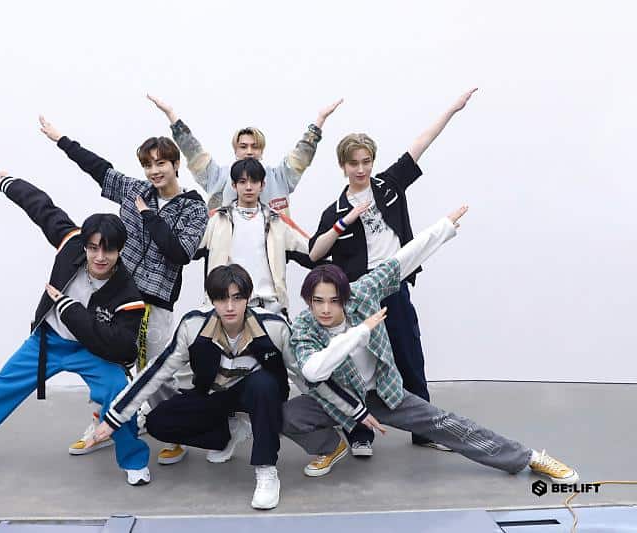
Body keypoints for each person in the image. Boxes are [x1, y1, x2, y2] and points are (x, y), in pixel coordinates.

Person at [284, 206, 579, 487]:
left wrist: (444, 227)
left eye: (334, 301)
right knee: (286, 416)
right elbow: (313, 371)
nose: (325, 309)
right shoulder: (304, 328)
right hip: (337, 400)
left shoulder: (363, 293)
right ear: (308, 301)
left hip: (383, 393)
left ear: (346, 297)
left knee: (447, 424)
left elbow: (402, 260)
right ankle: (331, 447)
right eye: (317, 301)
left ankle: (528, 458)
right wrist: (360, 332)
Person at [0, 173, 151, 485]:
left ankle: (134, 460)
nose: (99, 257)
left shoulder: (128, 294)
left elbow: (124, 348)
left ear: (120, 250)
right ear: (85, 245)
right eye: (93, 248)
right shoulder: (70, 245)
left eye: (108, 250)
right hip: (49, 341)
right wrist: (10, 184)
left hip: (94, 351)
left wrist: (70, 310)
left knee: (119, 392)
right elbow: (43, 209)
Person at [86, 265, 365, 509]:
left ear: (248, 298)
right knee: (158, 422)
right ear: (212, 300)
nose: (230, 307)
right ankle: (230, 432)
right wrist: (113, 419)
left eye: (237, 298)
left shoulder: (274, 327)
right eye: (222, 299)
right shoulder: (193, 326)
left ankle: (266, 471)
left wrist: (355, 411)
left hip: (260, 396)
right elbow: (156, 373)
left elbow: (308, 375)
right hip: (215, 396)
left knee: (263, 383)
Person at [308, 88, 477, 450]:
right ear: (343, 166)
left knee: (410, 357)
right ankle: (360, 434)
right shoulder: (336, 209)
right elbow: (315, 253)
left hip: (394, 287)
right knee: (357, 366)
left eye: (366, 161)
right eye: (354, 163)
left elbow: (421, 143)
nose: (361, 169)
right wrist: (343, 223)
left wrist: (452, 108)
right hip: (359, 297)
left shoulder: (389, 185)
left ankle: (426, 432)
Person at [38, 116, 208, 460]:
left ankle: (174, 433)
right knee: (105, 361)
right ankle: (103, 422)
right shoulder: (135, 191)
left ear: (176, 164)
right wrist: (62, 140)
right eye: (148, 165)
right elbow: (99, 169)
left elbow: (180, 253)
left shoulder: (194, 208)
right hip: (118, 294)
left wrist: (149, 216)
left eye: (161, 163)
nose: (154, 171)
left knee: (155, 370)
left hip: (156, 300)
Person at [147, 94, 342, 214]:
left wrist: (319, 120)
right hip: (225, 258)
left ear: (262, 151)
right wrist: (171, 115)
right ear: (235, 150)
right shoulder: (218, 177)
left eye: (254, 147)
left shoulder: (279, 177)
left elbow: (301, 156)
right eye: (243, 146)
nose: (249, 151)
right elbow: (193, 151)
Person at [195, 158, 317, 317]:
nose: (248, 187)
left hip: (268, 307)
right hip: (225, 307)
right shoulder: (216, 219)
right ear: (234, 185)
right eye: (242, 182)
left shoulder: (277, 221)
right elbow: (185, 249)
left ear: (262, 185)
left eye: (254, 181)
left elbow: (313, 252)